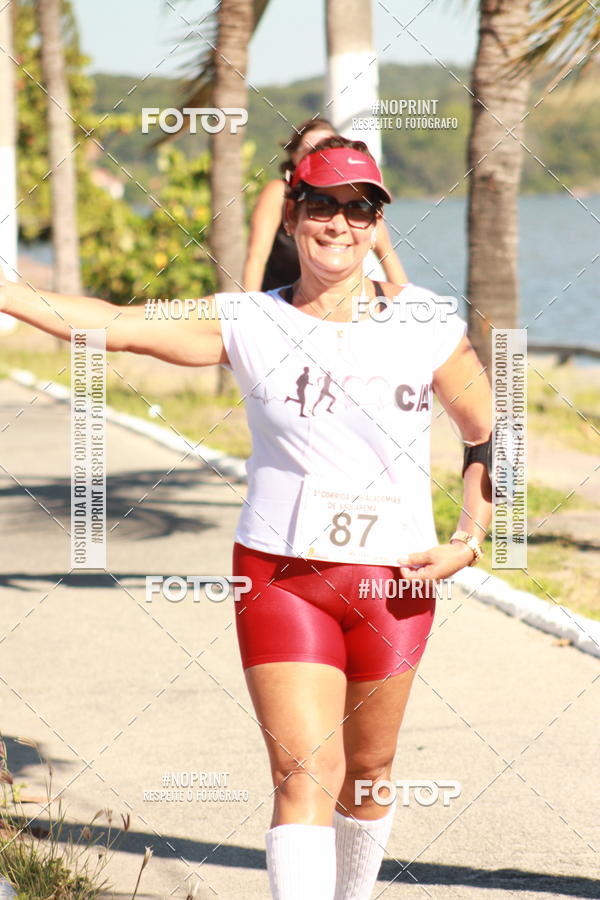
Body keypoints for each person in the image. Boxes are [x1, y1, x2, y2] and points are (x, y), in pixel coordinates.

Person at [0, 136, 493, 900]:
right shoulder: (246, 321)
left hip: (393, 582)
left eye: (358, 207)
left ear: (377, 222)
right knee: (303, 772)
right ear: (293, 216)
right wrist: (8, 291)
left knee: (368, 771)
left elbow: (492, 427)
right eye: (322, 204)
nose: (340, 222)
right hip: (281, 578)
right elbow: (111, 323)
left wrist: (472, 536)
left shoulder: (424, 321)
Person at [243, 120, 408, 291]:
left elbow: (386, 253)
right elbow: (256, 256)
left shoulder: (361, 200)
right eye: (320, 205)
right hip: (280, 301)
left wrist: (404, 304)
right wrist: (251, 306)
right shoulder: (279, 191)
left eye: (329, 148)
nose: (320, 154)